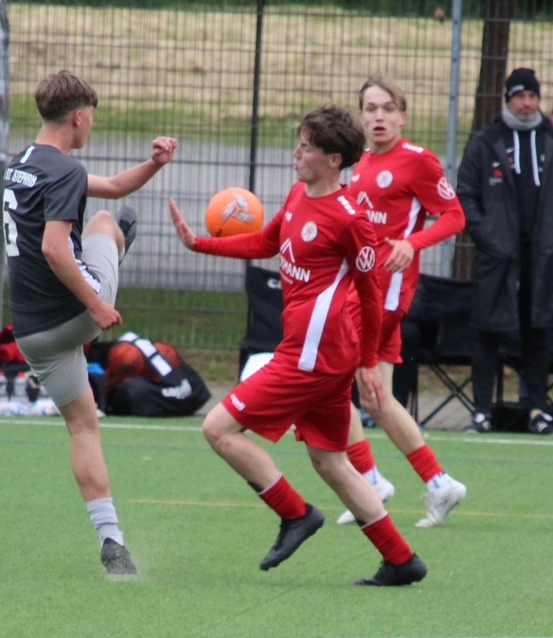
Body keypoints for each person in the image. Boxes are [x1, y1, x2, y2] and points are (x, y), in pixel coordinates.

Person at [168, 104, 427, 586]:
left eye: (306, 147)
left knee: (218, 429)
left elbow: (371, 295)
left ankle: (295, 514)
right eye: (299, 143)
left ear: (333, 160)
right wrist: (199, 243)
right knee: (330, 460)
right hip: (318, 355)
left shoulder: (350, 219)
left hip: (313, 357)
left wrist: (369, 362)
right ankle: (400, 559)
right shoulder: (297, 194)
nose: (296, 152)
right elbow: (267, 243)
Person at [2, 69, 178, 577]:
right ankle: (116, 245)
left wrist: (153, 164)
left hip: (32, 332)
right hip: (77, 313)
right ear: (78, 118)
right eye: (92, 119)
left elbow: (116, 185)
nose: (92, 126)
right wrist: (97, 308)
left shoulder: (21, 165)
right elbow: (54, 248)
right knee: (103, 223)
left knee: (83, 426)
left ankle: (112, 542)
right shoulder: (66, 173)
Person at [336, 74, 468, 528]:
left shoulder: (417, 161)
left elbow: (454, 216)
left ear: (403, 116)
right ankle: (439, 483)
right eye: (370, 109)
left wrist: (413, 243)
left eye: (388, 109)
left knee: (328, 383)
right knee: (376, 399)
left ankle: (369, 480)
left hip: (383, 294)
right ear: (360, 117)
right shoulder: (361, 163)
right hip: (362, 289)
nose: (379, 117)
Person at [457, 67, 553, 436]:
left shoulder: (551, 140)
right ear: (508, 100)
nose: (527, 103)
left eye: (532, 96)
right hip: (499, 257)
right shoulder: (487, 143)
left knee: (537, 333)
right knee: (488, 331)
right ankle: (482, 412)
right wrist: (490, 238)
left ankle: (538, 409)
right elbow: (465, 194)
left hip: (543, 257)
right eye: (520, 96)